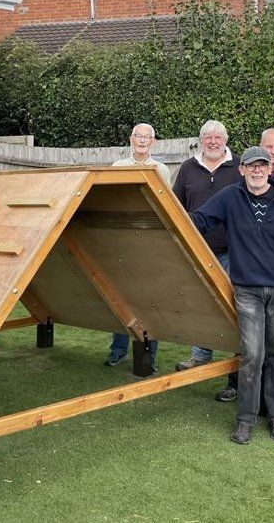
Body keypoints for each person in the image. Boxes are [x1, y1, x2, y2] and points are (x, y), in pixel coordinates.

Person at [190, 146, 274, 444]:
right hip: (247, 290)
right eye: (250, 166)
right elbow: (201, 220)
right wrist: (169, 216)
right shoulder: (231, 197)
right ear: (241, 170)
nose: (257, 171)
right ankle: (246, 418)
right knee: (253, 355)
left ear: (271, 169)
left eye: (262, 166)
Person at [171, 120, 241, 401]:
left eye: (218, 137)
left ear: (225, 140)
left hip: (232, 252)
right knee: (202, 304)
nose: (213, 141)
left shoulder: (239, 166)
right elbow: (176, 205)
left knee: (236, 307)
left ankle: (237, 370)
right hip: (198, 250)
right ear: (201, 140)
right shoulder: (188, 167)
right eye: (208, 137)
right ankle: (200, 357)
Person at [103, 123, 170, 369]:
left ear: (153, 142)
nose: (142, 140)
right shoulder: (118, 167)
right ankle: (117, 350)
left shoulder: (161, 169)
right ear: (131, 139)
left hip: (151, 243)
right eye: (138, 136)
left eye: (147, 137)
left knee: (150, 300)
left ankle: (149, 354)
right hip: (122, 243)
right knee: (120, 298)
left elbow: (166, 205)